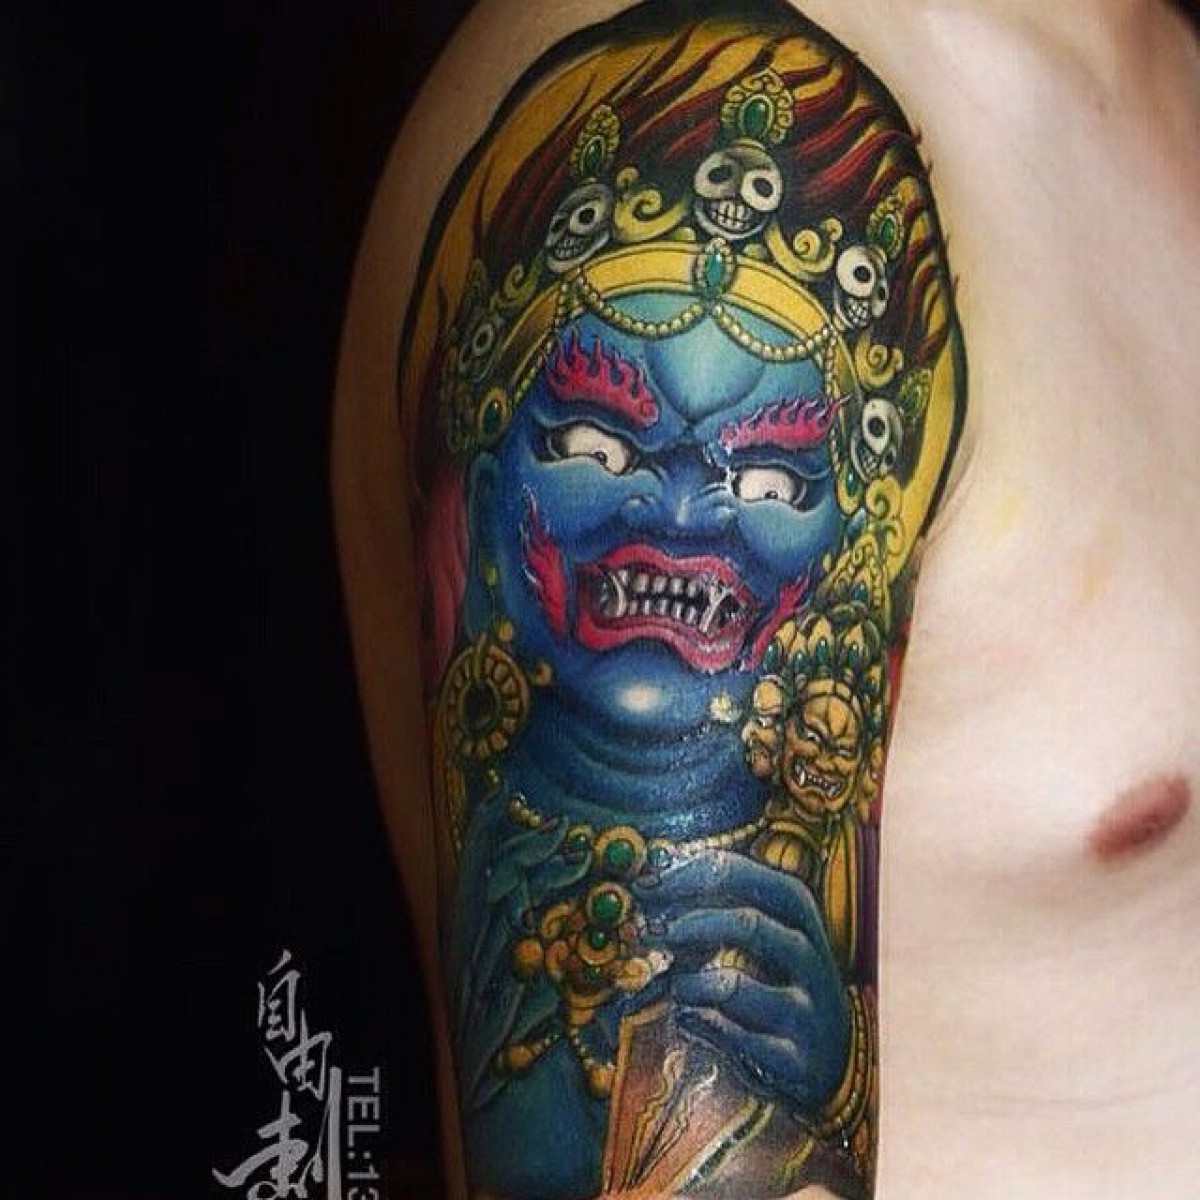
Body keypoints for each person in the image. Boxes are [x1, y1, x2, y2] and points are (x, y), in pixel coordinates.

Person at [333, 1, 1200, 1196]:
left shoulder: (1156, 60)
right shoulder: (725, 152)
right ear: (488, 487)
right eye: (597, 441)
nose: (682, 513)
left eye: (767, 477)